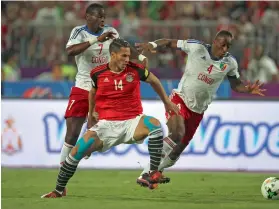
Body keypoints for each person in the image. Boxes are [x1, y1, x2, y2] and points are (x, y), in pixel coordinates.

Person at [41, 38, 180, 198]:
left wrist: (167, 102)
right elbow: (92, 93)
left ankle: (152, 172)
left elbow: (154, 80)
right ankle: (59, 190)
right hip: (106, 126)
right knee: (75, 153)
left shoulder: (135, 70)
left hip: (132, 122)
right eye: (123, 56)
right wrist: (91, 115)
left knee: (154, 125)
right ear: (113, 55)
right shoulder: (97, 73)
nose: (127, 60)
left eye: (128, 56)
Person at [135, 30, 266, 186]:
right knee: (177, 133)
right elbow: (169, 41)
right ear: (215, 41)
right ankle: (146, 173)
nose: (225, 49)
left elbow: (236, 84)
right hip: (180, 99)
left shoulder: (230, 63)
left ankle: (158, 170)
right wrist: (151, 44)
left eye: (228, 46)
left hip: (198, 111)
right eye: (223, 45)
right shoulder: (197, 47)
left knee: (177, 151)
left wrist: (247, 89)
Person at [60, 3, 119, 171]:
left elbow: (123, 48)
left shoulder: (112, 32)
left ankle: (86, 144)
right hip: (83, 86)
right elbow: (70, 51)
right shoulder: (79, 32)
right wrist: (95, 40)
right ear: (88, 17)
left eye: (104, 16)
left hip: (103, 89)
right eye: (99, 16)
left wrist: (141, 55)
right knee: (71, 134)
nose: (102, 19)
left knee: (99, 134)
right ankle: (62, 174)